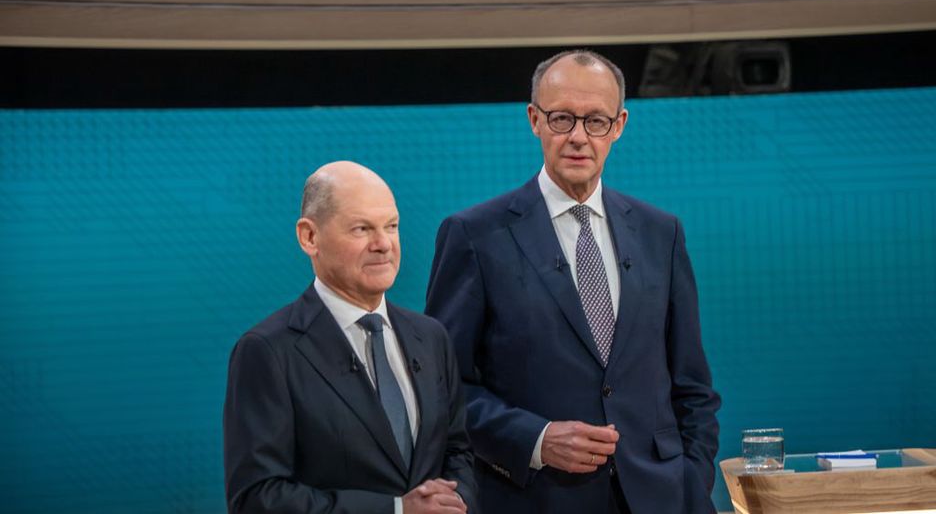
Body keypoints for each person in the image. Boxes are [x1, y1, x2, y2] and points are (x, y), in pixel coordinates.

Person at [425, 50, 721, 513]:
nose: (579, 137)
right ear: (534, 120)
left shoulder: (661, 233)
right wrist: (536, 439)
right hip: (536, 499)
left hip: (658, 498)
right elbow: (443, 388)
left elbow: (693, 387)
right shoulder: (474, 236)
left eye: (596, 121)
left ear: (619, 125)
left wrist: (691, 483)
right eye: (562, 118)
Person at [224, 161, 477, 514]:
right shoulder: (267, 352)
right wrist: (396, 510)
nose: (383, 244)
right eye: (362, 229)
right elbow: (257, 497)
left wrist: (457, 502)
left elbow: (457, 452)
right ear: (309, 237)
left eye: (391, 226)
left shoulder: (431, 337)